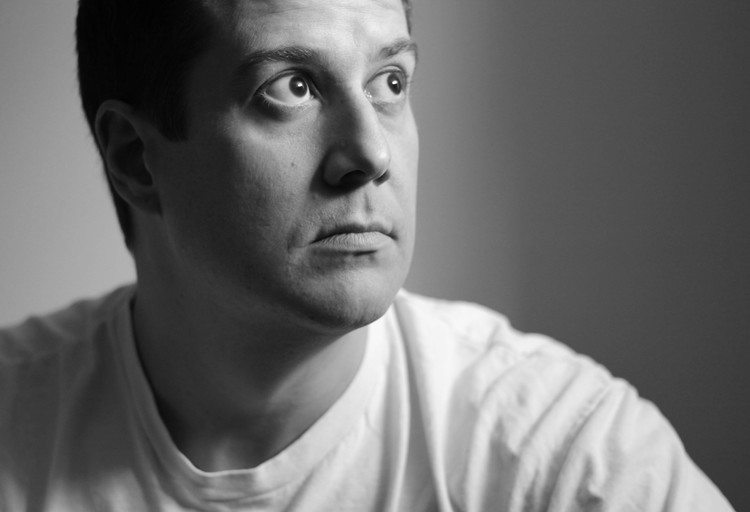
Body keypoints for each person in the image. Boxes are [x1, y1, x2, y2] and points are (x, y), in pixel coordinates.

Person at [0, 0, 736, 510]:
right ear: (135, 157)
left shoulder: (564, 453)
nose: (370, 152)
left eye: (390, 83)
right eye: (291, 87)